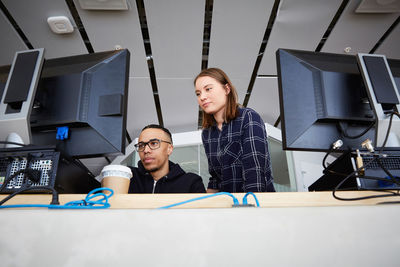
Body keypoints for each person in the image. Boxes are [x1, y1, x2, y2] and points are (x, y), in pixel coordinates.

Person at [194, 68, 275, 193]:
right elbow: (216, 178)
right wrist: (204, 204)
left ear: (227, 89)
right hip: (228, 206)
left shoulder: (247, 117)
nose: (202, 97)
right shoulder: (207, 133)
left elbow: (255, 172)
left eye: (208, 89)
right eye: (198, 93)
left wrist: (249, 208)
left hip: (255, 203)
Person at [128, 124, 206, 193]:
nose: (146, 150)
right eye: (141, 145)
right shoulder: (128, 177)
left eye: (154, 143)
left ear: (169, 149)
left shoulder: (191, 183)